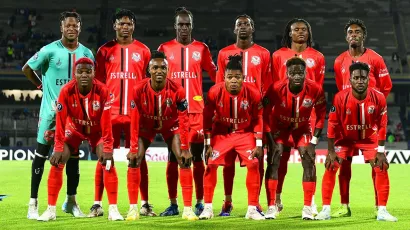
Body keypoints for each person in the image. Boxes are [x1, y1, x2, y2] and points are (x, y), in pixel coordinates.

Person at [22, 11, 94, 220]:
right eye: (67, 26)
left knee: (73, 158)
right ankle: (33, 203)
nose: (71, 29)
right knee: (41, 154)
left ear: (80, 28)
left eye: (75, 25)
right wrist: (40, 84)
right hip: (50, 114)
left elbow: (90, 80)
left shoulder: (87, 53)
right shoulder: (49, 50)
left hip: (74, 116)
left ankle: (71, 202)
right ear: (61, 28)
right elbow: (27, 68)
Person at [37, 57, 122, 221]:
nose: (84, 75)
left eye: (88, 72)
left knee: (108, 162)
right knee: (58, 161)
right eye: (80, 71)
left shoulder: (103, 91)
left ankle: (113, 210)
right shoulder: (66, 91)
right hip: (74, 129)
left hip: (97, 131)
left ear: (94, 73)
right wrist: (58, 147)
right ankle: (50, 210)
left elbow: (106, 124)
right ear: (74, 74)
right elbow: (60, 122)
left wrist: (108, 147)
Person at [315, 62, 397, 222]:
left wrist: (381, 151)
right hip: (344, 138)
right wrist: (331, 151)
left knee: (382, 167)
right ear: (350, 79)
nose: (360, 81)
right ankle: (325, 209)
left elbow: (382, 125)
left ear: (369, 79)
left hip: (369, 137)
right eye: (356, 78)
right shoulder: (340, 97)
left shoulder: (379, 97)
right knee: (331, 166)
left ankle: (382, 210)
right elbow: (332, 125)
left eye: (363, 78)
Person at [92, 9, 153, 217]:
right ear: (114, 26)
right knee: (104, 157)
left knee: (139, 157)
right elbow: (98, 83)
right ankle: (97, 204)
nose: (124, 27)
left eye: (128, 23)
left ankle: (144, 204)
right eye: (121, 23)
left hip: (136, 114)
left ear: (133, 26)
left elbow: (148, 83)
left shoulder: (144, 51)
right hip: (110, 113)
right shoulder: (103, 51)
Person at [157, 6, 217, 216]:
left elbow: (214, 73)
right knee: (173, 157)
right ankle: (173, 204)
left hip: (196, 112)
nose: (184, 28)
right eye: (180, 24)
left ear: (192, 26)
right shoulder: (164, 48)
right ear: (175, 26)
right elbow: (157, 77)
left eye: (187, 24)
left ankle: (199, 201)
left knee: (198, 157)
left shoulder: (201, 48)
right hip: (173, 113)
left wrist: (216, 97)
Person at [126, 51, 198, 221]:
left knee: (183, 158)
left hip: (170, 126)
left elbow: (184, 120)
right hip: (146, 127)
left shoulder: (177, 90)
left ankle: (187, 209)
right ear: (149, 70)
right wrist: (133, 148)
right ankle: (133, 209)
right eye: (155, 67)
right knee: (134, 159)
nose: (159, 70)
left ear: (168, 70)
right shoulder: (137, 90)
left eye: (163, 68)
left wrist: (186, 148)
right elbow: (134, 120)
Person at [332, 19, 392, 218]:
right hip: (347, 123)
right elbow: (342, 88)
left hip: (370, 123)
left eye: (358, 32)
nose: (354, 35)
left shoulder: (375, 58)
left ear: (363, 35)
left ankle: (380, 208)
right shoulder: (339, 60)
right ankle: (344, 206)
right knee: (344, 165)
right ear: (346, 36)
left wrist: (371, 105)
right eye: (350, 32)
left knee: (378, 164)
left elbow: (386, 86)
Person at [215, 14, 271, 216]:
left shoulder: (263, 54)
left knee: (257, 160)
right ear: (234, 29)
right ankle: (227, 202)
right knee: (227, 162)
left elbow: (268, 85)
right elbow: (218, 85)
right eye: (240, 25)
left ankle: (254, 203)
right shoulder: (224, 53)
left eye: (247, 24)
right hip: (228, 116)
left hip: (253, 117)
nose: (243, 28)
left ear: (253, 28)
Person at [199, 55, 264, 220]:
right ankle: (207, 208)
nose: (233, 80)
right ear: (224, 78)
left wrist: (258, 143)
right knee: (211, 164)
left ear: (243, 77)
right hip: (222, 133)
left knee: (254, 164)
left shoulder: (254, 93)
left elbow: (258, 118)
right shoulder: (215, 92)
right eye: (230, 77)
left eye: (237, 77)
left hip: (245, 133)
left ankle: (252, 209)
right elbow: (206, 117)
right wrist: (207, 143)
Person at [270, 18, 325, 214]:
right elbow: (274, 86)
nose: (300, 32)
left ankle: (310, 202)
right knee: (279, 159)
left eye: (304, 29)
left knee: (308, 157)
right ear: (289, 33)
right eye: (296, 29)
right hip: (282, 116)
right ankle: (276, 199)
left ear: (309, 33)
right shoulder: (277, 55)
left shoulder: (317, 57)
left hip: (306, 116)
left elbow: (316, 88)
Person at [263, 57, 326, 220]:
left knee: (308, 160)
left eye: (300, 73)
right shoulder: (276, 88)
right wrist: (270, 138)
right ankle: (272, 206)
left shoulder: (315, 89)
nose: (297, 76)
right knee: (274, 160)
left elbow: (321, 115)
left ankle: (307, 207)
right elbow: (265, 113)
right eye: (293, 73)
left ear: (305, 72)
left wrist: (314, 141)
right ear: (287, 74)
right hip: (280, 127)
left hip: (302, 128)